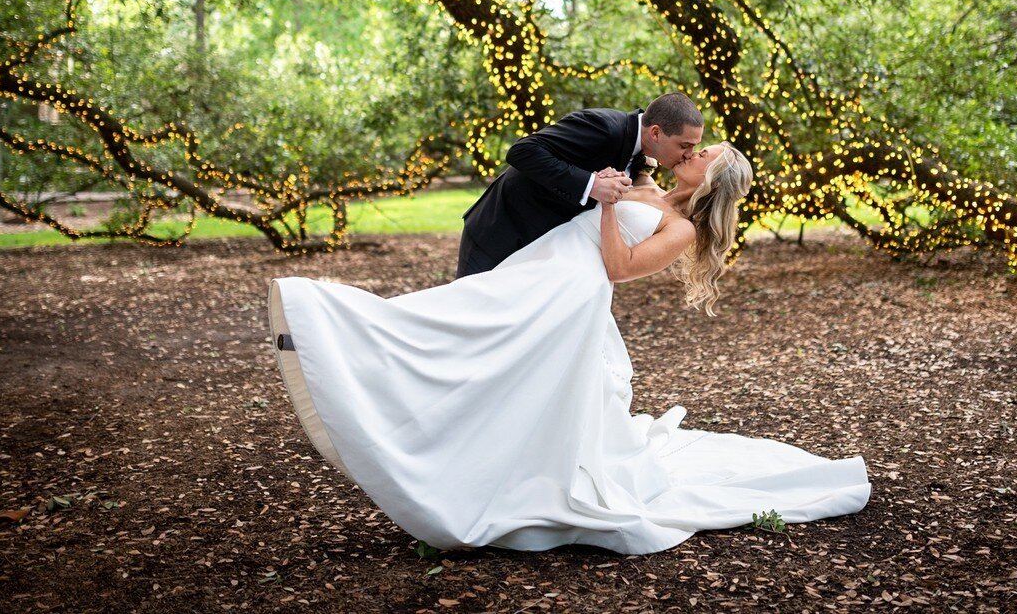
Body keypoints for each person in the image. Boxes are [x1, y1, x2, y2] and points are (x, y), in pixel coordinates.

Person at [268, 141, 871, 554]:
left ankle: (329, 332)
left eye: (703, 154)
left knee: (477, 344)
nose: (692, 152)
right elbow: (616, 155)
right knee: (457, 322)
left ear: (711, 177)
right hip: (540, 267)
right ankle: (330, 340)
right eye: (693, 146)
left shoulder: (681, 225)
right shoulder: (649, 183)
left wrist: (608, 206)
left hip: (568, 294)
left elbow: (618, 266)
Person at [456, 92, 705, 277]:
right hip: (501, 231)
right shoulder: (605, 128)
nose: (688, 154)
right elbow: (522, 152)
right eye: (685, 145)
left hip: (545, 252)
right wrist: (591, 184)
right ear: (655, 133)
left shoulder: (639, 153)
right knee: (470, 320)